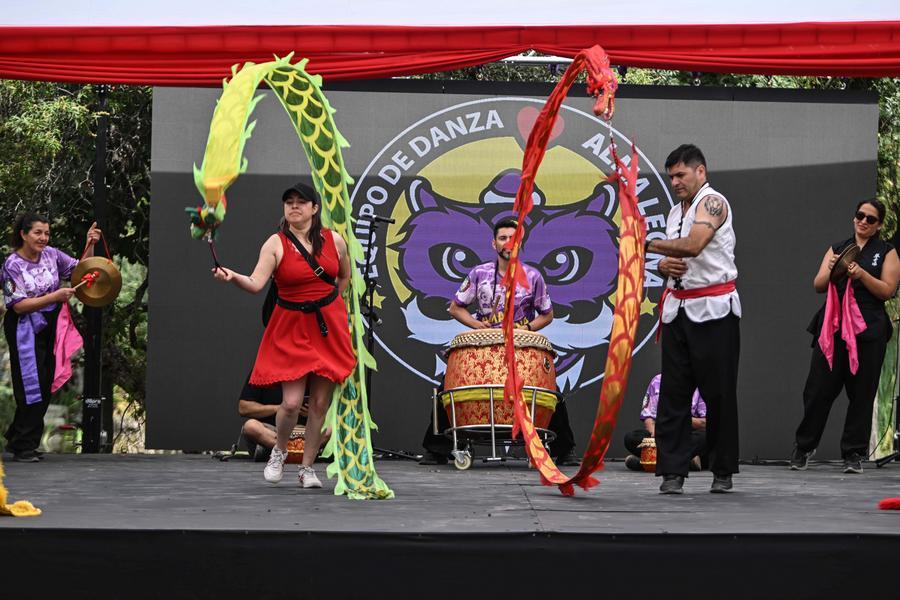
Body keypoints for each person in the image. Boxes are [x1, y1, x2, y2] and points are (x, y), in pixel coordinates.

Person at [213, 182, 355, 488]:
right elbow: (255, 282)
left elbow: (344, 275)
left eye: (301, 202)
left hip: (327, 327)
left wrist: (331, 304)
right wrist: (232, 276)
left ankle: (307, 468)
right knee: (291, 403)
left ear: (314, 209)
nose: (294, 206)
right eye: (289, 202)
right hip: (290, 327)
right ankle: (279, 451)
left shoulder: (335, 241)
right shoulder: (275, 243)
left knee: (318, 404)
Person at [419, 217, 578, 465]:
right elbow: (455, 308)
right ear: (494, 243)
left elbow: (547, 315)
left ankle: (563, 449)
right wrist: (477, 325)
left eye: (512, 238)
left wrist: (525, 329)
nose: (508, 242)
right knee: (448, 388)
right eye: (503, 238)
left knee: (549, 391)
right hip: (484, 346)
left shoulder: (533, 276)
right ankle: (436, 448)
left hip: (521, 348)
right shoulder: (479, 273)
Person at [645, 144, 741, 494]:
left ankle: (722, 469)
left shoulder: (714, 202)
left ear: (701, 171)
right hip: (677, 309)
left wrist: (648, 246)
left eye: (681, 174)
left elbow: (696, 244)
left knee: (718, 393)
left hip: (714, 309)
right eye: (671, 176)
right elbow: (677, 254)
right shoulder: (674, 213)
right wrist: (662, 265)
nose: (675, 182)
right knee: (673, 392)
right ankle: (673, 471)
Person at [790, 199, 899, 474]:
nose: (863, 221)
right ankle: (804, 447)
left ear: (879, 226)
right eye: (860, 216)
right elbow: (818, 285)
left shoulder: (887, 252)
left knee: (862, 392)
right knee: (817, 390)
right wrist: (832, 269)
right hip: (834, 327)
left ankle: (853, 453)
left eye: (871, 219)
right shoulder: (838, 248)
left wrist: (861, 274)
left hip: (868, 329)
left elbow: (887, 290)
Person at [2, 213, 100, 462]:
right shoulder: (12, 265)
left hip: (52, 325)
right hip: (25, 327)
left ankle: (19, 439)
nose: (43, 238)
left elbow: (80, 271)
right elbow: (18, 306)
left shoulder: (52, 255)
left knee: (46, 382)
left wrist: (90, 244)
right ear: (23, 234)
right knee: (31, 384)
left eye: (46, 233)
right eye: (37, 232)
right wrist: (53, 297)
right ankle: (23, 445)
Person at [623, 374, 706, 472]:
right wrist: (653, 433)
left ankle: (647, 463)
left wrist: (679, 417)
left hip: (688, 435)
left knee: (707, 436)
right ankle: (687, 463)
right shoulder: (658, 380)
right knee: (631, 437)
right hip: (663, 435)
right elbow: (648, 416)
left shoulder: (702, 383)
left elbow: (704, 423)